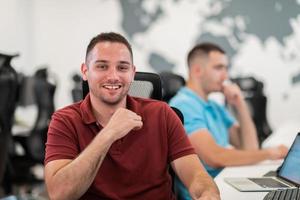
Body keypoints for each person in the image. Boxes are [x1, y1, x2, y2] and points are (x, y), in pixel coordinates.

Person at [44, 32, 220, 200]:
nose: (113, 76)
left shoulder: (162, 114)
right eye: (102, 66)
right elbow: (60, 193)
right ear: (85, 71)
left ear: (132, 73)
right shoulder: (64, 121)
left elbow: (196, 175)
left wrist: (207, 192)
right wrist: (108, 134)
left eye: (122, 67)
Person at [169, 42, 289, 200]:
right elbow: (214, 157)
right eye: (219, 68)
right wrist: (270, 153)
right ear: (197, 71)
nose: (225, 76)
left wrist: (240, 104)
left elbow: (248, 147)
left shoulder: (214, 105)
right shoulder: (183, 105)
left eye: (226, 68)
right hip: (208, 194)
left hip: (226, 183)